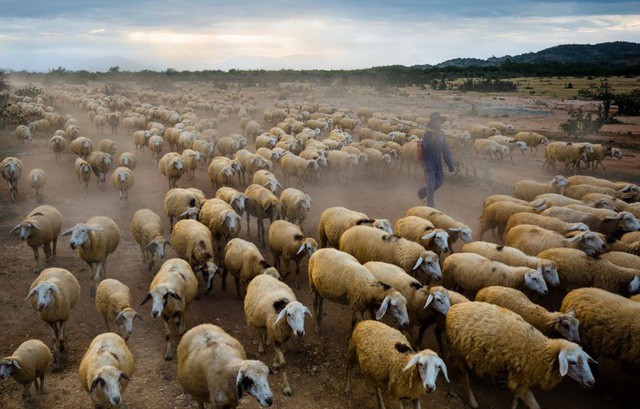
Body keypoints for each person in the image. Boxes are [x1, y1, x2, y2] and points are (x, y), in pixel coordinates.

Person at [417, 112, 455, 208]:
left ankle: (422, 192)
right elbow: (426, 146)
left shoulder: (442, 134)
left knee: (439, 182)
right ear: (432, 122)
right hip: (428, 162)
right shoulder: (427, 133)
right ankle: (430, 206)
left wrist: (450, 165)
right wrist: (433, 139)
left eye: (439, 120)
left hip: (438, 163)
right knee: (431, 184)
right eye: (436, 121)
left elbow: (446, 150)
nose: (437, 122)